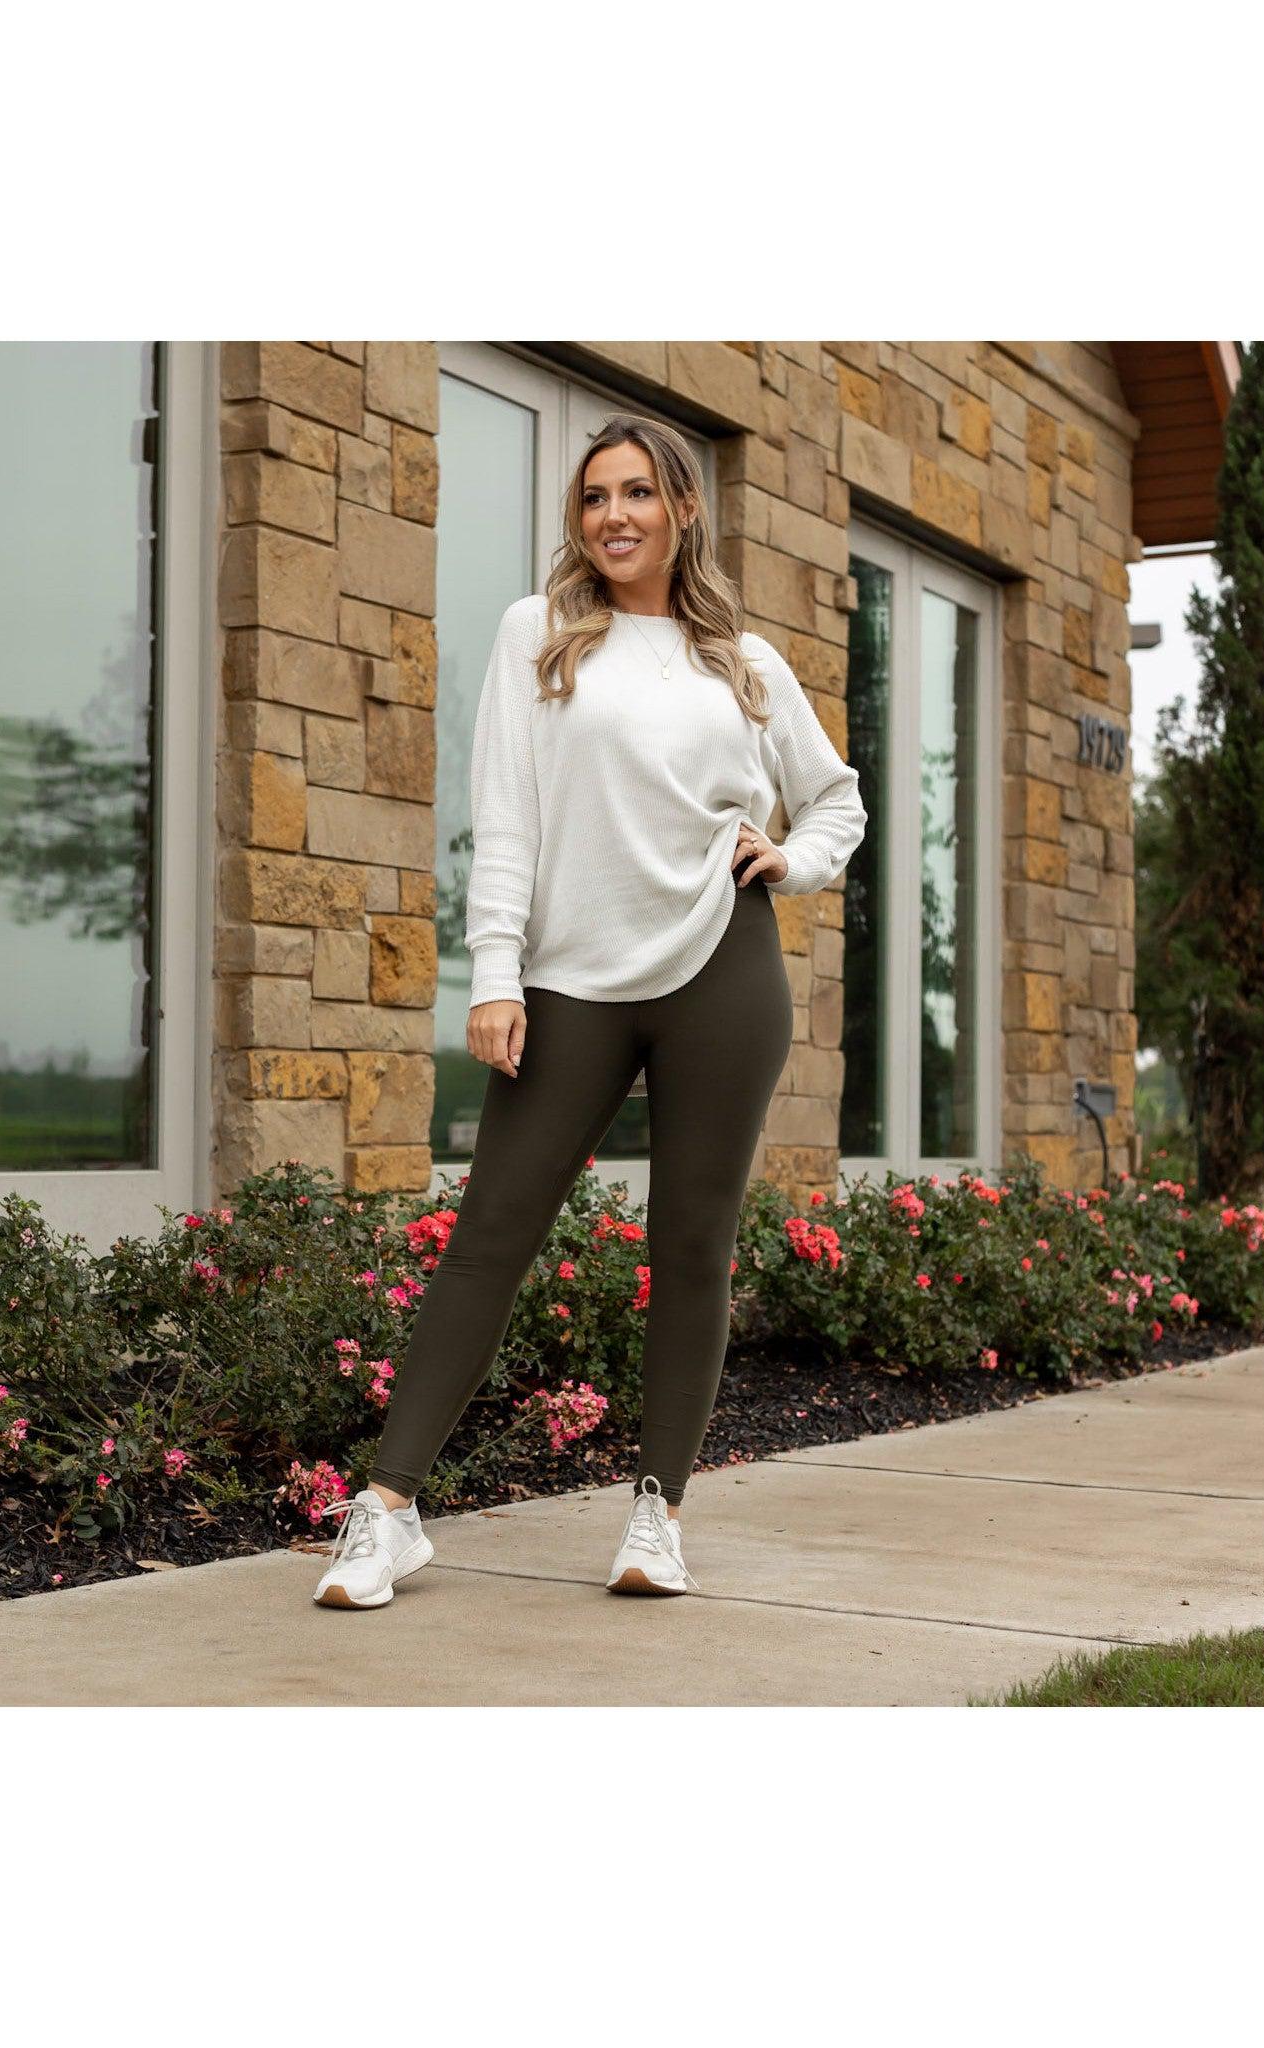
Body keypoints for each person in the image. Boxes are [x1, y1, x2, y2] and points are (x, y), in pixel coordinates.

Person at [313, 412, 867, 1610]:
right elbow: (505, 815)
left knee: (691, 1247)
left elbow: (836, 798)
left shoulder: (745, 664)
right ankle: (388, 1510)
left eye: (636, 492)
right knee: (488, 1236)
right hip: (568, 980)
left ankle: (656, 1516)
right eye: (594, 496)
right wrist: (494, 972)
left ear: (681, 508)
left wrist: (794, 860)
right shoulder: (540, 634)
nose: (613, 515)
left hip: (722, 968)